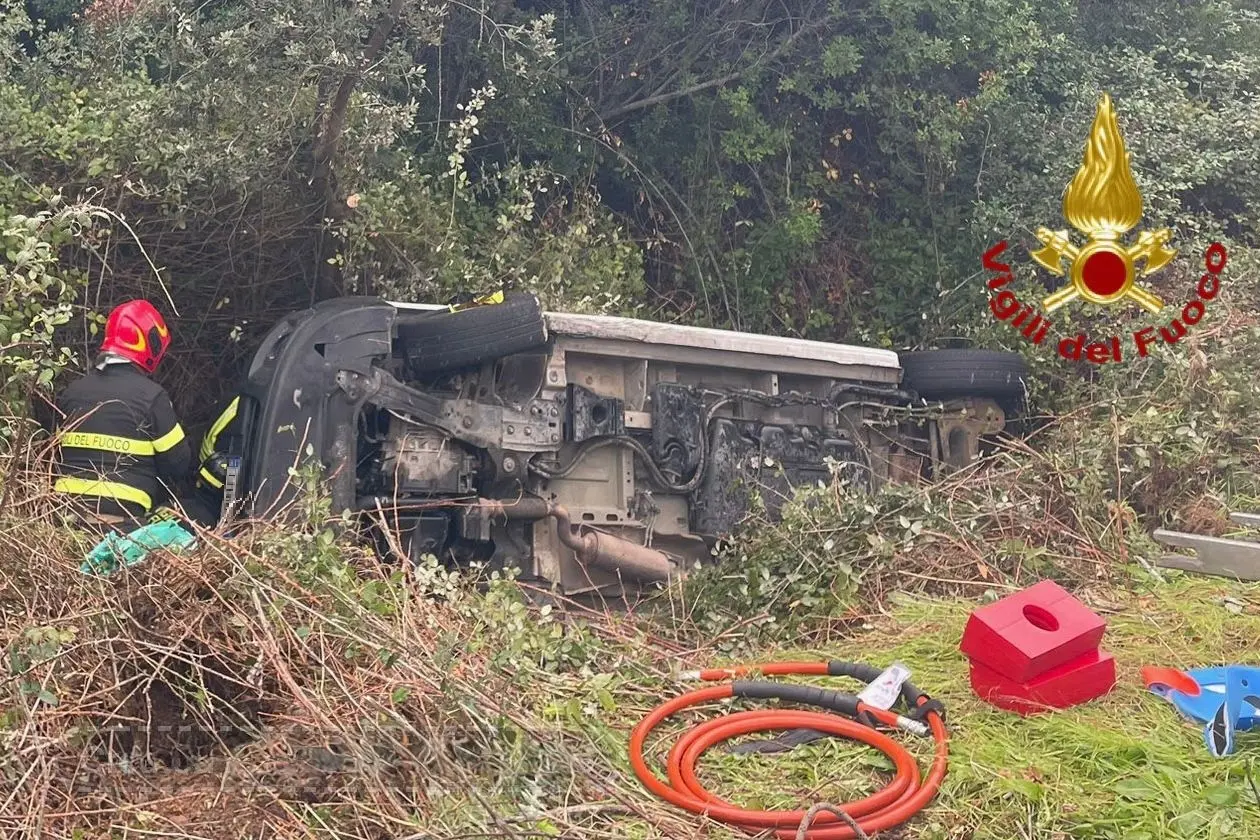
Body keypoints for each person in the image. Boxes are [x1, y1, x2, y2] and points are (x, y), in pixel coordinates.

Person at [52, 299, 215, 531]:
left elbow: (53, 455)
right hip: (124, 525)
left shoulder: (71, 393)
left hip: (63, 521)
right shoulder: (152, 397)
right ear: (150, 343)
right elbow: (178, 464)